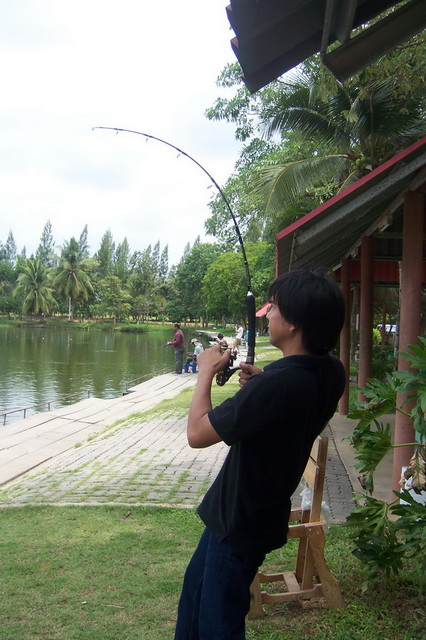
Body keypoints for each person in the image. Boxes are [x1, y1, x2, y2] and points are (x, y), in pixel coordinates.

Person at [173, 269, 346, 640]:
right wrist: (262, 382)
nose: (267, 315)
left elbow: (197, 434)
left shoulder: (275, 387)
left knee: (217, 624)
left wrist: (204, 372)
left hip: (238, 519)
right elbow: (293, 396)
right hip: (254, 513)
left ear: (295, 323)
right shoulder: (331, 371)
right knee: (195, 600)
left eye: (275, 308)